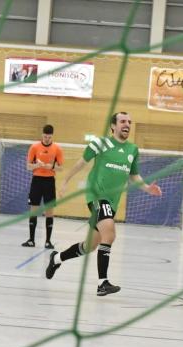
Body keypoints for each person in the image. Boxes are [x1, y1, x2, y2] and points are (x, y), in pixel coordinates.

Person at [45, 112, 162, 296]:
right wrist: (66, 181)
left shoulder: (133, 150)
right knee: (110, 232)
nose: (127, 124)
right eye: (123, 121)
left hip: (112, 201)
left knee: (90, 246)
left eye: (129, 122)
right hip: (97, 195)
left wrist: (148, 188)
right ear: (113, 126)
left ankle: (57, 258)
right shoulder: (100, 144)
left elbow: (134, 176)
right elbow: (80, 163)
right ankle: (102, 283)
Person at [22, 124, 64, 249]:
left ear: (52, 136)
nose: (47, 139)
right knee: (33, 210)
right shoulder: (34, 147)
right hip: (37, 181)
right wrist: (38, 165)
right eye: (45, 136)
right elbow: (28, 166)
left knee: (49, 212)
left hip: (49, 181)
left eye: (49, 137)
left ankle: (48, 241)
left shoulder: (57, 149)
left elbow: (61, 168)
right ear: (42, 135)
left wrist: (50, 166)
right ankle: (31, 240)